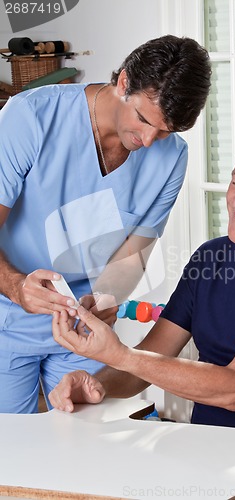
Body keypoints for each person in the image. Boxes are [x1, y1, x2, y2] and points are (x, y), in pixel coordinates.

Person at [50, 130, 235, 432]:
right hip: (204, 448)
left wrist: (119, 354)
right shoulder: (210, 258)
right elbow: (147, 361)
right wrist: (95, 385)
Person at [0, 35, 211, 414]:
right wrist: (16, 287)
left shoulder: (172, 159)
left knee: (84, 447)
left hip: (82, 328)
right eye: (144, 120)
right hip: (6, 317)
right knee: (10, 452)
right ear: (124, 82)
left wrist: (106, 300)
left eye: (165, 131)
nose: (148, 141)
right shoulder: (28, 118)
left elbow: (133, 253)